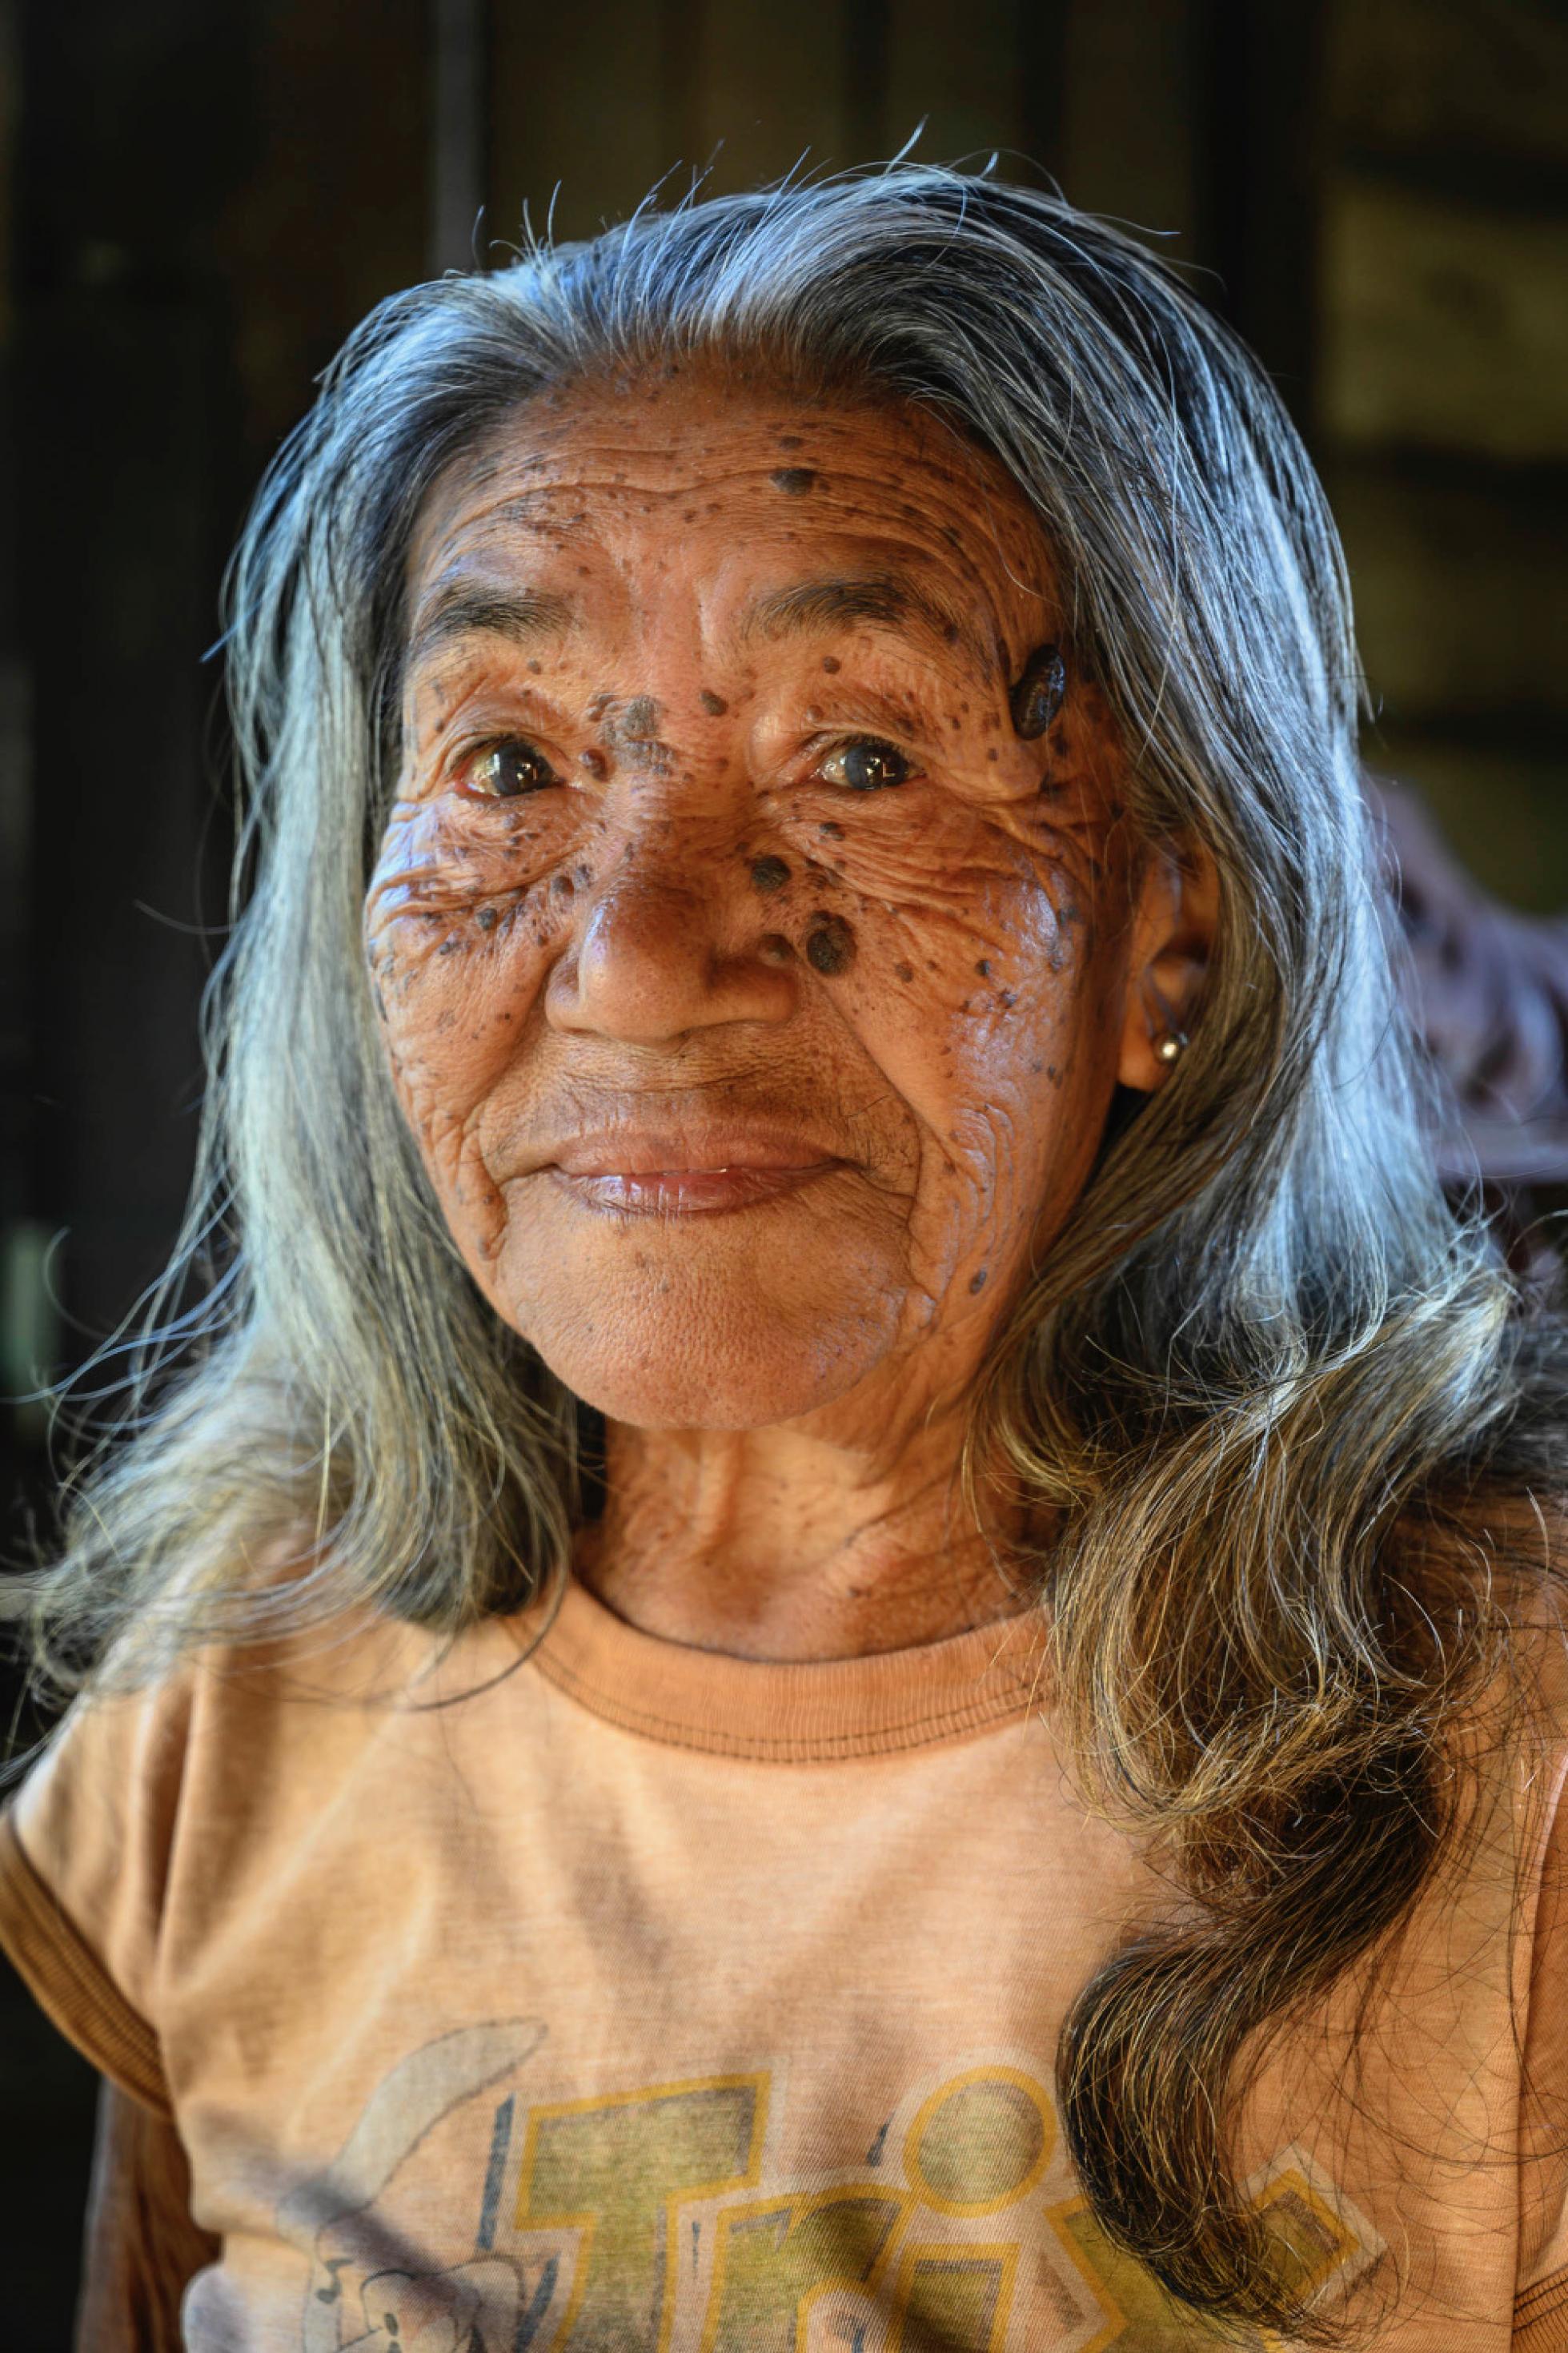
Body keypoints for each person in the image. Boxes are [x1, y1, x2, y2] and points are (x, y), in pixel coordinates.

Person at [2, 166, 1565, 2351]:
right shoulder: (247, 1694)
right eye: (511, 761)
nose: (636, 957)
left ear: (1172, 939)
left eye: (856, 754)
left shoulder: (1513, 1752)